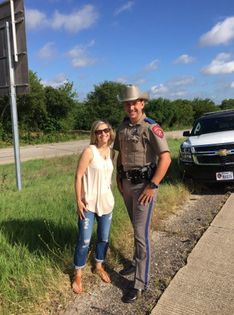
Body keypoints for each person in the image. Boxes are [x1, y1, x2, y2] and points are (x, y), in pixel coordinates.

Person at [113, 84, 171, 303]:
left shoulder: (151, 127)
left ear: (142, 103)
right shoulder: (123, 127)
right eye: (127, 103)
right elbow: (120, 154)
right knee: (136, 230)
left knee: (140, 234)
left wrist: (153, 185)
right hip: (127, 185)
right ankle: (136, 263)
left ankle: (139, 283)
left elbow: (166, 158)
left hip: (144, 187)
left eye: (134, 102)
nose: (131, 107)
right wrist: (119, 176)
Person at [72, 120, 115, 294]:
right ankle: (78, 274)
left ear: (110, 132)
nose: (103, 134)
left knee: (104, 238)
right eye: (99, 132)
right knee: (84, 240)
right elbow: (78, 176)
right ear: (94, 134)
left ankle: (98, 265)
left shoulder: (112, 153)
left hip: (106, 203)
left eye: (106, 130)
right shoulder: (89, 151)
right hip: (88, 204)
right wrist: (79, 201)